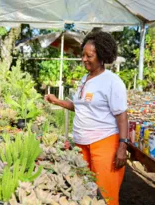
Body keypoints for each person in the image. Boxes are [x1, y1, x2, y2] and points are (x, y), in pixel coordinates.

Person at [45, 31, 127, 205]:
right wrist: (57, 101)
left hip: (104, 144)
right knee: (84, 194)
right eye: (83, 55)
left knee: (105, 196)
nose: (84, 59)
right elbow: (81, 107)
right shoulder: (85, 79)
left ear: (102, 55)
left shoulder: (112, 81)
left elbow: (122, 115)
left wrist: (122, 145)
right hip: (82, 145)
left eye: (89, 56)